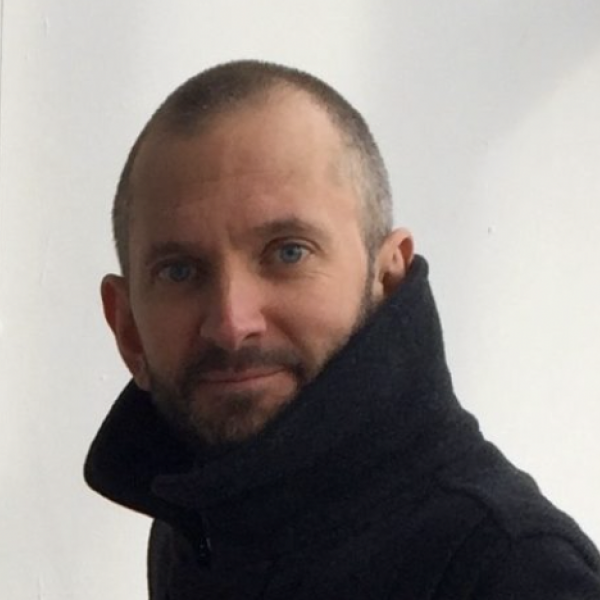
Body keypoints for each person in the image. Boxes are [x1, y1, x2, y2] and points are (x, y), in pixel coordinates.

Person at [85, 60, 600, 599]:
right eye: (180, 271)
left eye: (288, 252)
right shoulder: (198, 515)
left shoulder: (508, 570)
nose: (232, 324)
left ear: (388, 278)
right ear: (128, 329)